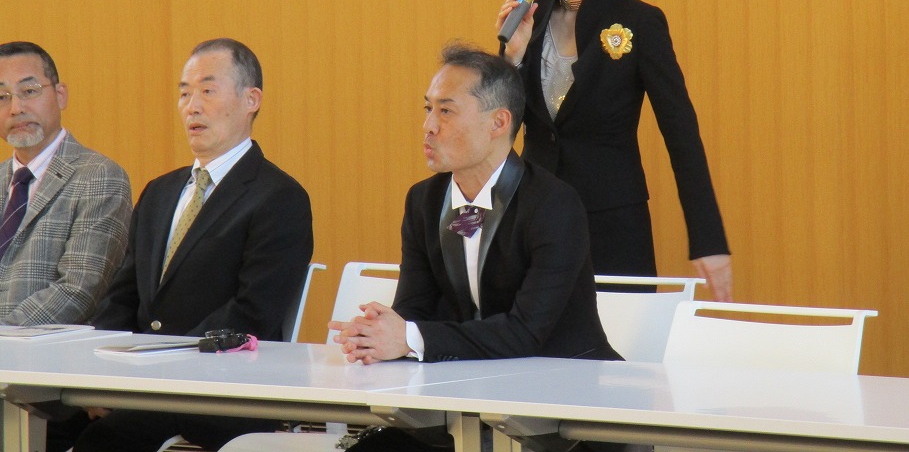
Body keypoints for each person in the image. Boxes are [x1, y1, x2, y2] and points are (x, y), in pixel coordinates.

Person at [51, 38, 314, 452]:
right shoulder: (159, 191)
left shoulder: (279, 197)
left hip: (219, 388)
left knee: (104, 439)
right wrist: (98, 374)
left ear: (251, 100)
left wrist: (155, 368)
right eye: (184, 93)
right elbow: (123, 296)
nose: (192, 106)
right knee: (42, 419)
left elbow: (253, 313)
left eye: (208, 90)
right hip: (139, 382)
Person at [496, 0, 733, 301]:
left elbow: (681, 133)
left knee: (617, 341)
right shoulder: (529, 16)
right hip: (533, 217)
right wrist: (511, 58)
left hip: (611, 225)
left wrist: (708, 239)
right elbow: (495, 128)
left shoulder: (639, 22)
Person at [330, 43, 618, 365]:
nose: (429, 126)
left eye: (446, 111)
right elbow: (415, 308)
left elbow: (525, 332)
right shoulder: (424, 201)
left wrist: (411, 337)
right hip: (471, 373)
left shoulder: (554, 205)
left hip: (566, 375)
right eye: (428, 108)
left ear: (498, 123)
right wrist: (377, 334)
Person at [0, 41, 132, 326]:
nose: (16, 108)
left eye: (29, 91)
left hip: (47, 351)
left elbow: (79, 290)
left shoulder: (100, 176)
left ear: (60, 96)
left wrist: (5, 337)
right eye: (2, 97)